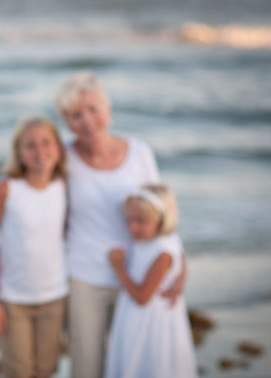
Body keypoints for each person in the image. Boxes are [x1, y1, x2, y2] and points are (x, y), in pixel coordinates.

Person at [55, 71, 186, 378]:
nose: (86, 121)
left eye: (93, 110)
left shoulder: (140, 153)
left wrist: (181, 264)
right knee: (87, 366)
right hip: (84, 276)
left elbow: (161, 212)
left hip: (138, 274)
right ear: (65, 121)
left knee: (134, 363)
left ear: (108, 110)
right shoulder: (61, 156)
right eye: (75, 115)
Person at [0, 116, 69, 378]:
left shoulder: (64, 186)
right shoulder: (7, 190)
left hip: (54, 298)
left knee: (46, 369)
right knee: (19, 371)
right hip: (13, 301)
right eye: (30, 145)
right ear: (18, 152)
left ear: (59, 148)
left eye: (46, 142)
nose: (40, 151)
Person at [104, 184, 197, 378]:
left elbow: (142, 297)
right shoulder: (150, 241)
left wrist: (119, 268)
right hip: (135, 317)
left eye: (141, 221)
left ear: (161, 220)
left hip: (149, 323)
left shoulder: (162, 253)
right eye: (129, 219)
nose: (132, 226)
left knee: (148, 364)